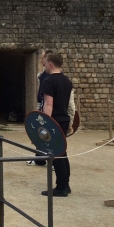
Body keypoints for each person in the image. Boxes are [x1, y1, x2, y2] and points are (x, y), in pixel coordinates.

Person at [40, 53, 73, 197]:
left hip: (54, 121)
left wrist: (45, 124)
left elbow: (48, 104)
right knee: (62, 153)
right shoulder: (67, 81)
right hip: (64, 120)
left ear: (51, 64)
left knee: (56, 154)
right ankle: (65, 184)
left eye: (45, 62)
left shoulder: (48, 81)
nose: (44, 65)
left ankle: (60, 188)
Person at [27, 49, 54, 167]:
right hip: (42, 105)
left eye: (43, 57)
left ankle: (54, 162)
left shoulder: (51, 77)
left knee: (49, 133)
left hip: (49, 108)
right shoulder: (43, 74)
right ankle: (39, 159)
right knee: (40, 132)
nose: (41, 59)